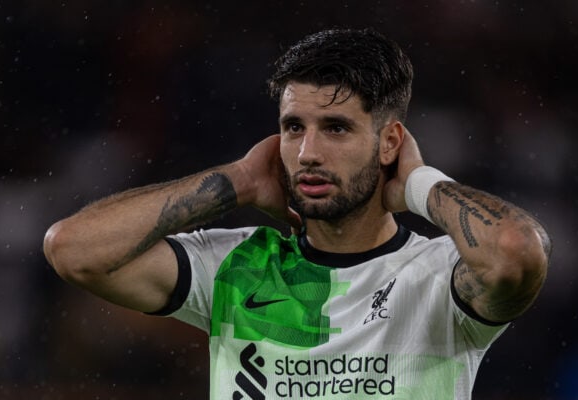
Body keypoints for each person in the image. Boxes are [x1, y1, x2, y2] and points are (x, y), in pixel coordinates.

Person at [43, 28, 551, 399]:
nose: (307, 151)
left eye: (335, 128)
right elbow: (73, 249)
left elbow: (516, 251)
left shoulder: (439, 275)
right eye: (292, 127)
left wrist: (418, 182)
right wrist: (238, 181)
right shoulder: (235, 267)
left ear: (389, 142)